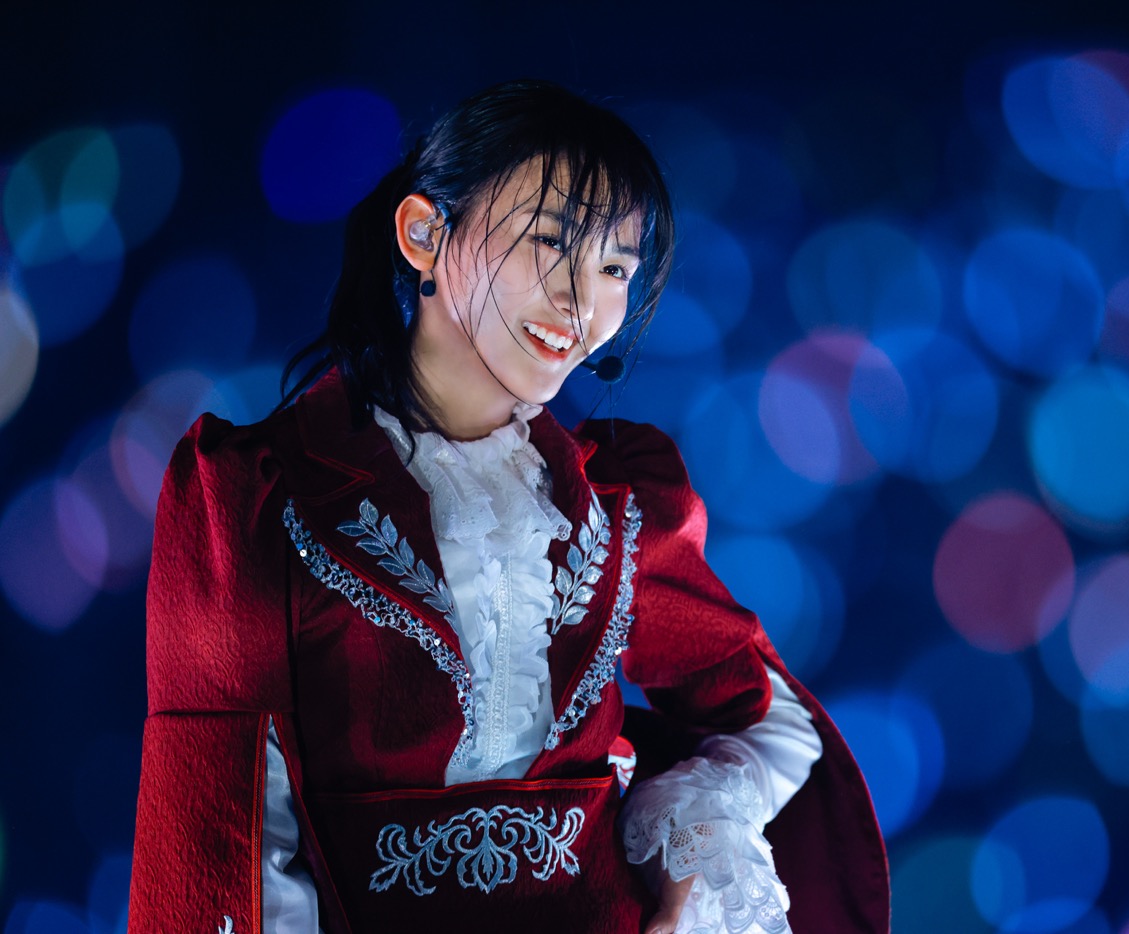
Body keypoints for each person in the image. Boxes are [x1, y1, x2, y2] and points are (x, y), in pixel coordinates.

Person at [129, 79, 889, 934]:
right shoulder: (255, 495)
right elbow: (226, 831)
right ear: (423, 234)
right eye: (549, 242)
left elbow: (774, 721)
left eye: (614, 268)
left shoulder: (621, 502)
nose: (582, 302)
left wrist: (693, 840)